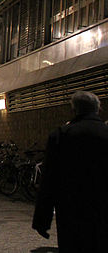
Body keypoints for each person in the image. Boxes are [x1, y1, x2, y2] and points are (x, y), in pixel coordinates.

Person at [32, 91, 108, 251]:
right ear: (98, 109)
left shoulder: (61, 135)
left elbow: (49, 180)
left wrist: (42, 219)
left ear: (74, 110)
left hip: (71, 208)